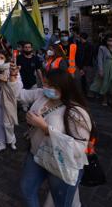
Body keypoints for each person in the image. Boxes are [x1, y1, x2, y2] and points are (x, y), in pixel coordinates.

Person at [18, 68, 92, 207]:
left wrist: (45, 128)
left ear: (64, 86)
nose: (46, 88)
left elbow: (78, 148)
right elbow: (20, 94)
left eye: (51, 86)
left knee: (61, 202)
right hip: (36, 154)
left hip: (60, 162)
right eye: (45, 84)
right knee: (26, 188)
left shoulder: (77, 113)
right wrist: (13, 76)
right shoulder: (42, 95)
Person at [0, 51, 18, 153]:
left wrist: (7, 80)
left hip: (7, 95)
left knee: (8, 120)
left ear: (6, 58)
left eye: (1, 57)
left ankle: (11, 139)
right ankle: (0, 142)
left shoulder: (11, 68)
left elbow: (16, 83)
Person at [90, 34, 112, 109]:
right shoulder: (102, 48)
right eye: (109, 40)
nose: (111, 42)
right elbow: (100, 59)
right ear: (106, 41)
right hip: (105, 67)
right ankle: (105, 99)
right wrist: (100, 70)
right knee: (105, 83)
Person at [76, 33, 95, 97]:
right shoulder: (81, 45)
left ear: (81, 37)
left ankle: (87, 93)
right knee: (86, 80)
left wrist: (82, 67)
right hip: (85, 65)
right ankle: (88, 93)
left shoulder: (87, 45)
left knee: (87, 80)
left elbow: (88, 56)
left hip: (85, 65)